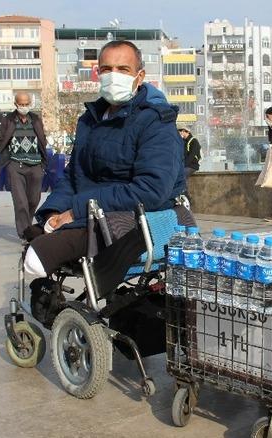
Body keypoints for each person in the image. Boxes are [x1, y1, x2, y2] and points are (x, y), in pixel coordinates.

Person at [22, 39, 185, 280]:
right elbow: (74, 175)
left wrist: (76, 211)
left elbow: (151, 189)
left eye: (123, 69)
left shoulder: (156, 122)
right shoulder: (89, 120)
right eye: (107, 69)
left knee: (38, 257)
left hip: (131, 219)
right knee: (33, 233)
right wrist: (54, 211)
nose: (114, 75)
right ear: (98, 73)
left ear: (140, 76)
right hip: (90, 214)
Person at [0, 92, 49, 239]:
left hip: (36, 165)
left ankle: (27, 225)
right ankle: (25, 233)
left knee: (33, 200)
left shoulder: (36, 119)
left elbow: (42, 139)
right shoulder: (8, 120)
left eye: (26, 104)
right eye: (21, 104)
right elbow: (0, 142)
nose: (24, 107)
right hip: (15, 165)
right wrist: (8, 158)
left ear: (30, 103)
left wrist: (43, 163)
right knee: (20, 202)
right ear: (16, 104)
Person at [178, 127, 201, 197]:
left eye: (181, 131)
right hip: (186, 165)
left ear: (186, 132)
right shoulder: (183, 141)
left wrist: (183, 165)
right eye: (180, 131)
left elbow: (191, 156)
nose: (180, 133)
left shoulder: (194, 141)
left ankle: (185, 194)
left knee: (182, 175)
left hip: (192, 165)